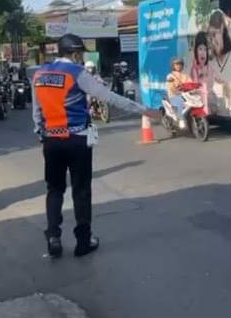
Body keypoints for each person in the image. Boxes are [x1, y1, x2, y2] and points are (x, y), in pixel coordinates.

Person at [32, 34, 161, 259]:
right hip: (77, 140)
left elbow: (37, 110)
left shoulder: (40, 74)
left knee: (54, 190)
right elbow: (108, 97)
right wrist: (143, 110)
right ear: (74, 53)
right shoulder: (76, 73)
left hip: (51, 141)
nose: (81, 58)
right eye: (80, 53)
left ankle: (53, 236)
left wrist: (41, 133)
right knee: (81, 191)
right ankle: (83, 241)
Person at [207, 10, 231, 118]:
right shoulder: (212, 63)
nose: (213, 41)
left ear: (222, 30)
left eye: (215, 34)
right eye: (210, 37)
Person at [166, 57, 192, 127]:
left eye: (180, 64)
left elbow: (191, 84)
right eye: (177, 64)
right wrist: (178, 92)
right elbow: (171, 87)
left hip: (186, 96)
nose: (179, 65)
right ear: (173, 65)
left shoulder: (185, 75)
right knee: (180, 102)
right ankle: (181, 119)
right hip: (174, 96)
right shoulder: (170, 76)